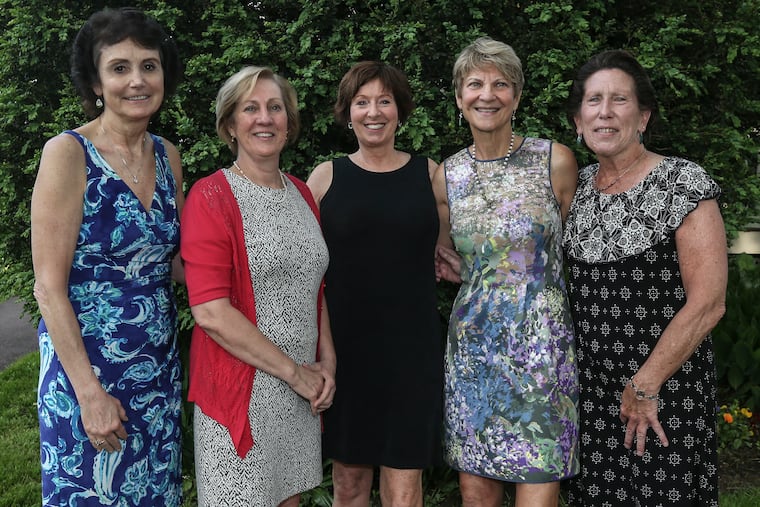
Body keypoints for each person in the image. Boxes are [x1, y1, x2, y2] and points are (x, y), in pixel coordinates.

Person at [31, 7, 185, 506]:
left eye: (149, 65)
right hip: (87, 376)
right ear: (96, 82)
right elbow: (48, 287)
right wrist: (89, 395)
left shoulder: (168, 156)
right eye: (119, 68)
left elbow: (179, 264)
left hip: (156, 374)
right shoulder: (68, 154)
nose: (137, 80)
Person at [562, 49, 727, 506]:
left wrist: (645, 385)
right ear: (578, 120)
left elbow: (709, 303)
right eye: (594, 101)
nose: (605, 112)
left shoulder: (682, 182)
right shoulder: (576, 191)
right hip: (594, 397)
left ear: (643, 116)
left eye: (620, 100)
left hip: (664, 391)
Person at [432, 36, 580, 507]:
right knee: (476, 493)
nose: (487, 94)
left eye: (500, 84)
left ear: (516, 96)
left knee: (539, 486)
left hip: (542, 352)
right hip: (474, 353)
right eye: (474, 83)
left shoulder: (554, 161)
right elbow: (441, 253)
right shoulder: (446, 175)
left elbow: (575, 253)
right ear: (460, 98)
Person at [180, 65, 336, 507]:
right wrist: (297, 374)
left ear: (289, 123)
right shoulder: (211, 196)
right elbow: (210, 311)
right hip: (242, 395)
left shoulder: (303, 194)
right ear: (231, 125)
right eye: (251, 108)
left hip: (300, 395)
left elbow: (315, 289)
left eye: (275, 108)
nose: (264, 118)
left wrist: (329, 362)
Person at [306, 61, 444, 506]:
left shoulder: (431, 175)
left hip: (411, 353)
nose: (373, 112)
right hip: (346, 352)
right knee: (348, 484)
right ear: (348, 113)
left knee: (404, 489)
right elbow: (303, 268)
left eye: (384, 101)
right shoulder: (324, 178)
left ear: (400, 111)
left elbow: (451, 254)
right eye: (361, 102)